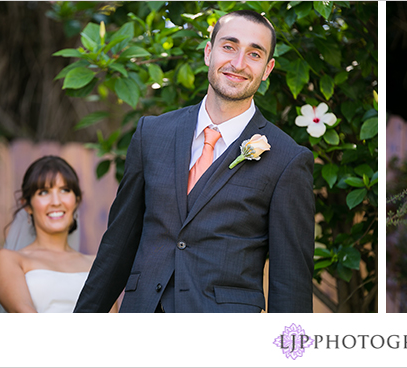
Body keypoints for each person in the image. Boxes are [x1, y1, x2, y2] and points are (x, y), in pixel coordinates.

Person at [74, 10, 314, 313]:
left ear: (267, 69)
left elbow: (290, 281)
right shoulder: (152, 133)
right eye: (229, 46)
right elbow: (118, 244)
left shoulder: (288, 159)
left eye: (254, 54)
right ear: (208, 53)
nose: (238, 63)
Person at [0, 156, 116, 313]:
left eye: (65, 190)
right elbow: (23, 312)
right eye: (44, 192)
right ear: (27, 205)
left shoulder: (97, 264)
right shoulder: (9, 259)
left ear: (76, 200)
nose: (56, 201)